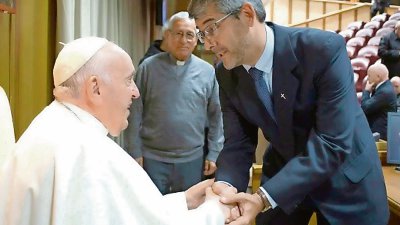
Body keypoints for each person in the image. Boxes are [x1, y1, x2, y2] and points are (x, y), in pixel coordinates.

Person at [188, 0, 389, 224]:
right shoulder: (226, 74)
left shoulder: (322, 49)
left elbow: (332, 142)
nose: (207, 45)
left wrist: (264, 197)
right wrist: (225, 187)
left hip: (346, 180)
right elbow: (238, 142)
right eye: (202, 34)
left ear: (246, 14)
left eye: (211, 28)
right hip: (284, 176)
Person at [0, 37, 234, 225]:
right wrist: (215, 211)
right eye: (127, 81)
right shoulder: (86, 152)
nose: (135, 92)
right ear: (95, 87)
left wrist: (184, 201)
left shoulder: (53, 124)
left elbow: (129, 214)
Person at [124, 12, 224, 195]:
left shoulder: (208, 72)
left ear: (196, 40)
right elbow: (134, 111)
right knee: (151, 211)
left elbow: (217, 115)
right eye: (178, 33)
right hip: (151, 157)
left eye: (189, 34)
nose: (184, 40)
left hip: (192, 159)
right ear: (167, 36)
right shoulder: (148, 68)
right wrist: (134, 150)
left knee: (188, 212)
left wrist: (214, 152)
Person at [361, 63, 397, 140]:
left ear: (378, 77)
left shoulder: (384, 91)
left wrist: (366, 91)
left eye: (369, 75)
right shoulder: (385, 87)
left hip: (380, 136)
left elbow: (365, 108)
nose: (367, 78)